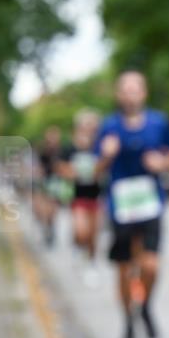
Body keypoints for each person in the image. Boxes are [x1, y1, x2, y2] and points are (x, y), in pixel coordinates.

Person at [96, 71, 169, 338]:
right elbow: (94, 170)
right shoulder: (108, 126)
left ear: (144, 92)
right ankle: (128, 322)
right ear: (119, 94)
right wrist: (106, 156)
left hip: (151, 203)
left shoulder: (159, 123)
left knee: (150, 265)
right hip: (121, 205)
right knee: (124, 268)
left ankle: (145, 306)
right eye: (125, 89)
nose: (131, 94)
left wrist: (163, 163)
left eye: (136, 89)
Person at [57, 109, 103, 286]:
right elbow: (61, 168)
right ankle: (77, 247)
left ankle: (91, 264)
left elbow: (105, 167)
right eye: (87, 125)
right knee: (81, 231)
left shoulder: (99, 147)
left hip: (96, 196)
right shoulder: (69, 147)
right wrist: (74, 173)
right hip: (77, 197)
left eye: (93, 126)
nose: (90, 129)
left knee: (93, 235)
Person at [33, 126, 64, 247]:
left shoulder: (61, 151)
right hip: (45, 183)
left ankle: (51, 229)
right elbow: (39, 169)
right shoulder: (43, 152)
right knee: (43, 210)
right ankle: (47, 229)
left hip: (57, 183)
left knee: (52, 211)